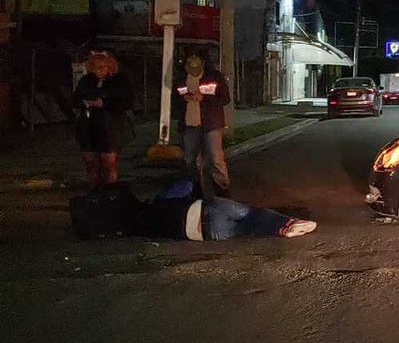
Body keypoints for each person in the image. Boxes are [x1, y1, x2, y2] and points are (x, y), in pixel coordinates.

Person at [139, 180, 317, 241]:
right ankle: (287, 224)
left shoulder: (145, 229)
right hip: (208, 210)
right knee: (251, 214)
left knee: (249, 228)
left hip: (208, 234)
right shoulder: (161, 200)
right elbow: (185, 185)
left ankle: (283, 229)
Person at [173, 50, 231, 199]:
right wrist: (183, 98)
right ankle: (195, 191)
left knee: (215, 159)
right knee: (189, 159)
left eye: (196, 65)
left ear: (203, 63)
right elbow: (174, 100)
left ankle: (222, 191)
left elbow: (225, 98)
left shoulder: (214, 77)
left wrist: (203, 97)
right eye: (189, 65)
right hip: (189, 125)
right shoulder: (181, 80)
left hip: (211, 124)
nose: (192, 69)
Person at [72, 49, 134, 187]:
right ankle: (93, 193)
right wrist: (84, 102)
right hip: (89, 127)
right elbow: (75, 99)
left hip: (111, 128)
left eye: (101, 67)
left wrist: (104, 103)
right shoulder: (86, 80)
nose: (98, 70)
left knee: (109, 164)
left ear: (110, 66)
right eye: (94, 67)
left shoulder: (119, 82)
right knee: (91, 163)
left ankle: (110, 193)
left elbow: (127, 102)